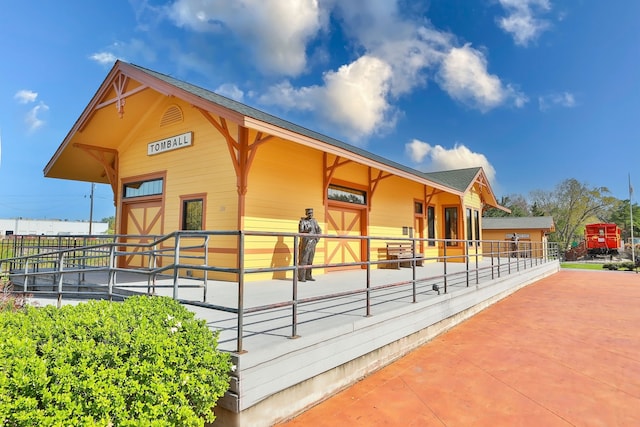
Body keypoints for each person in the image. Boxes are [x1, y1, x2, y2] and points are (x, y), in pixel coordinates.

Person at [298, 208, 322, 282]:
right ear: (306, 214)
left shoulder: (314, 221)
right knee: (303, 260)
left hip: (313, 243)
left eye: (311, 213)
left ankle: (308, 275)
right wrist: (307, 230)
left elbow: (319, 230)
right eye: (309, 213)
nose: (310, 214)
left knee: (310, 260)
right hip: (305, 243)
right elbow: (300, 231)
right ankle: (301, 276)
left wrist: (316, 240)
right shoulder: (303, 221)